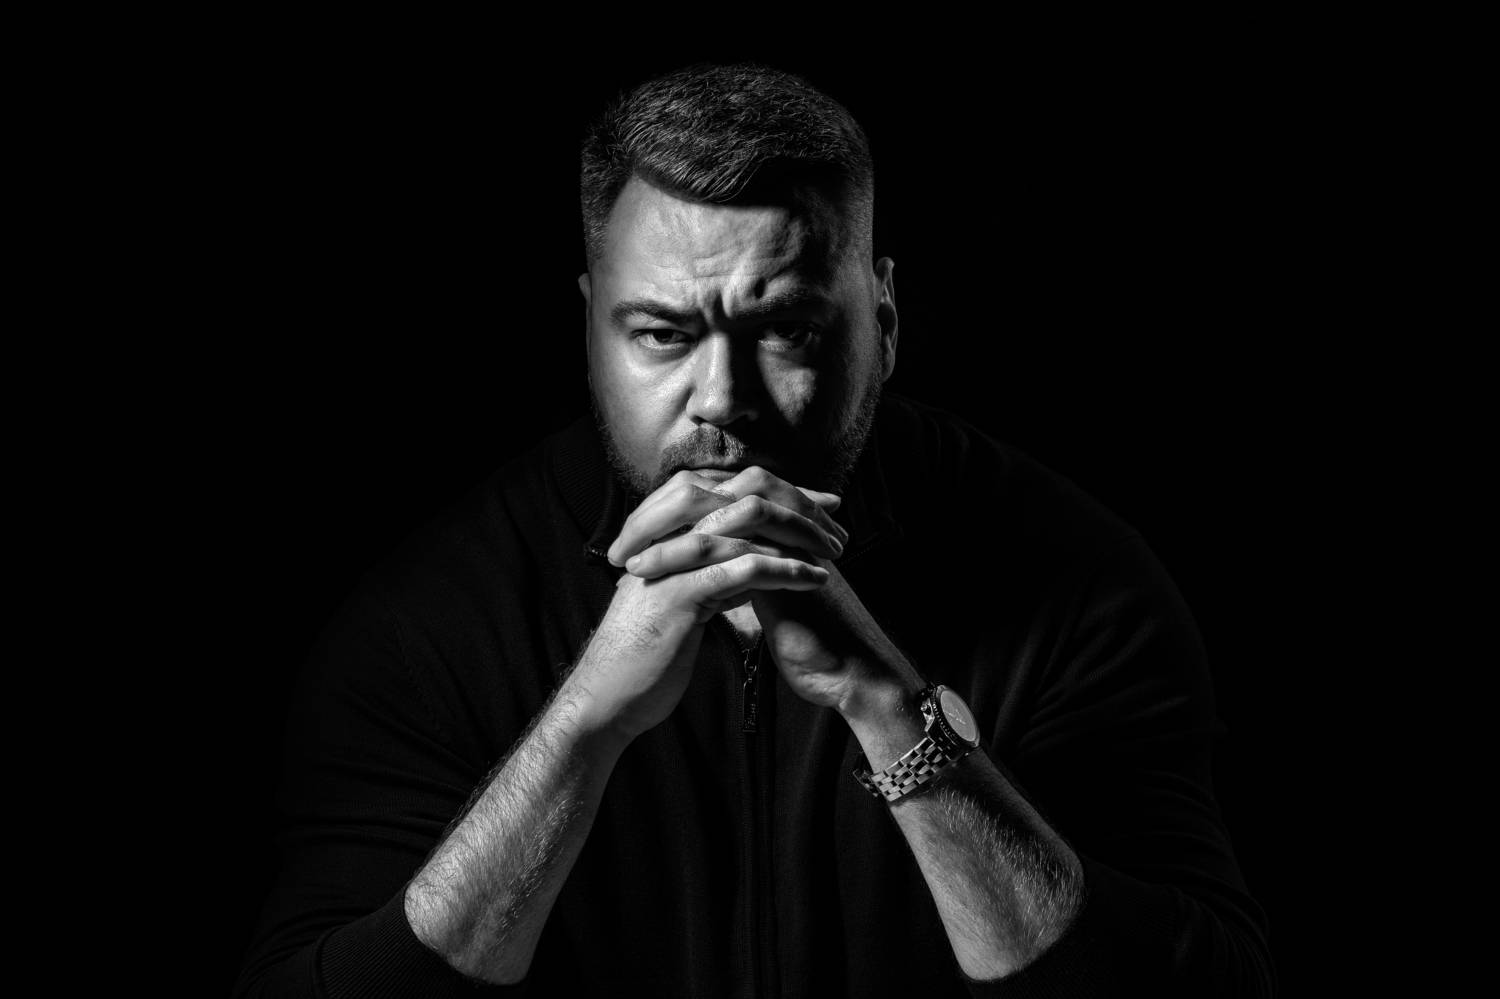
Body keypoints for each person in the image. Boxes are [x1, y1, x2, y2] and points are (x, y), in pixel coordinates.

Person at [234, 62, 1274, 997]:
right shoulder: (435, 619)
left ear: (884, 321)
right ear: (591, 328)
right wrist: (583, 727)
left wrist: (886, 707)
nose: (722, 397)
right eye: (663, 334)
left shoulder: (1075, 577)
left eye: (786, 329)